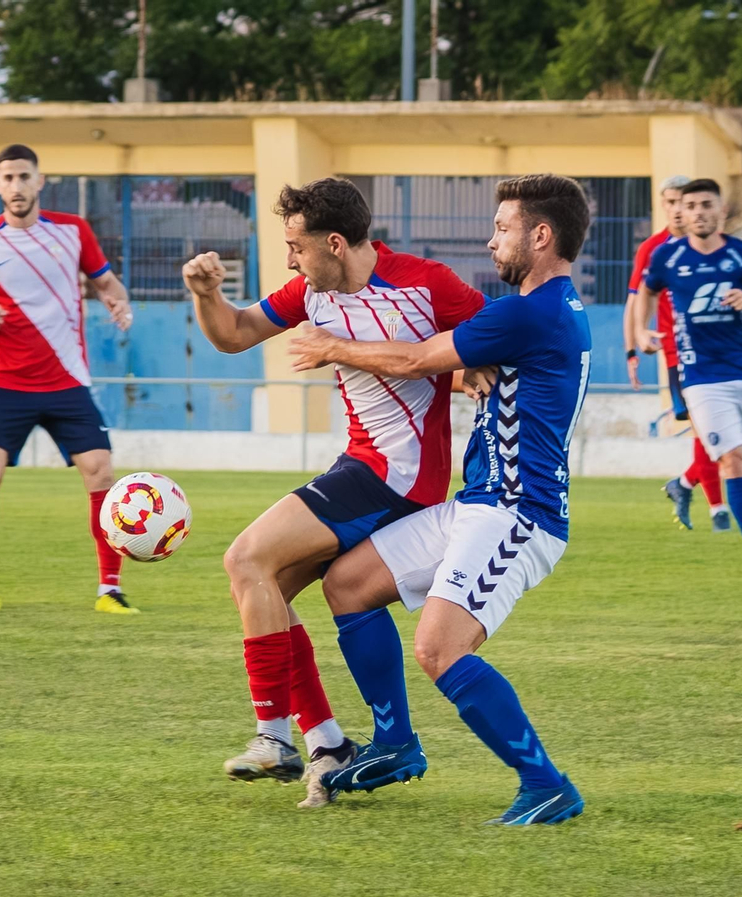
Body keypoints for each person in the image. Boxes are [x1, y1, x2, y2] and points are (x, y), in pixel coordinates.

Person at [285, 173, 593, 825]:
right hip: (477, 502)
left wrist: (333, 348)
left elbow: (418, 359)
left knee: (439, 647)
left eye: (503, 228)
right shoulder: (544, 310)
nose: (491, 241)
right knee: (347, 582)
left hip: (520, 513)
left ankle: (546, 784)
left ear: (541, 236)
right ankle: (396, 742)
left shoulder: (529, 312)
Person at [182, 177, 485, 807]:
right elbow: (234, 334)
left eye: (296, 246)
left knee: (245, 559)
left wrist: (472, 367)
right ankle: (326, 744)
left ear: (336, 243)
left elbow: (495, 341)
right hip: (361, 466)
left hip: (397, 476)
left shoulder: (428, 285)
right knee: (265, 592)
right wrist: (206, 295)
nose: (290, 259)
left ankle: (275, 736)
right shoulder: (309, 293)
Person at [0, 144, 137, 614]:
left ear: (39, 181)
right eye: (7, 178)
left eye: (23, 177)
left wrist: (118, 301)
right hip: (6, 383)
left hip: (68, 381)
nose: (16, 186)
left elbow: (106, 283)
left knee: (101, 475)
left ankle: (109, 591)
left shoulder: (73, 232)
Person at [634, 179, 742, 577]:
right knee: (732, 458)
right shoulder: (666, 257)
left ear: (721, 211)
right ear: (683, 214)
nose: (699, 212)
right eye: (691, 206)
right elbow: (646, 291)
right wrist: (641, 332)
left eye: (707, 204)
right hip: (700, 376)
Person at [624, 175, 728, 532]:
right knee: (708, 432)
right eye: (668, 203)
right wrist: (632, 349)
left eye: (681, 203)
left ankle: (685, 485)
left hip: (718, 351)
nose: (677, 211)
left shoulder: (715, 247)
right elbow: (635, 302)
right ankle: (718, 511)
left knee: (718, 434)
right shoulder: (655, 250)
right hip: (678, 355)